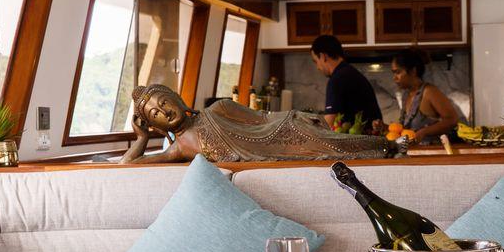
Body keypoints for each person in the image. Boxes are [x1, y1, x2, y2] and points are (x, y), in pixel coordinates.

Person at [120, 84, 402, 164]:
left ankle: (387, 145)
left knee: (332, 143)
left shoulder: (219, 108)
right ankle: (388, 147)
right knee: (327, 150)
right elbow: (127, 165)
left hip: (280, 134)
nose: (163, 111)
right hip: (266, 159)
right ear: (155, 125)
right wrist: (142, 139)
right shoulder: (179, 148)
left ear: (177, 99)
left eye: (164, 102)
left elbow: (263, 118)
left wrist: (296, 116)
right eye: (155, 113)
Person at [384, 49, 460, 144]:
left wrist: (424, 132)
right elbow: (406, 130)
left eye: (398, 72)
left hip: (432, 150)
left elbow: (452, 120)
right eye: (393, 73)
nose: (394, 78)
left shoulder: (429, 92)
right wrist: (385, 127)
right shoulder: (406, 95)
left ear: (413, 71)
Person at [310, 34, 382, 128]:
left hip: (358, 136)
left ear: (323, 56)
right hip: (369, 135)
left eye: (316, 61)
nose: (317, 67)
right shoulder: (350, 73)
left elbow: (329, 123)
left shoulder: (337, 79)